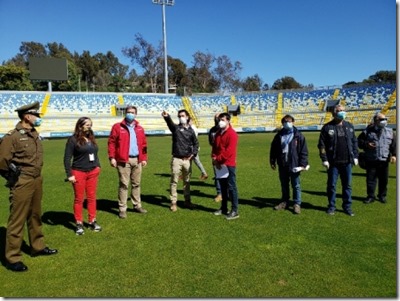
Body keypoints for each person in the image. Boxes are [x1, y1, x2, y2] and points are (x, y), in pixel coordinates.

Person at [0, 102, 57, 272]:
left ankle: (37, 247)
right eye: (36, 115)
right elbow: (2, 161)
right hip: (22, 181)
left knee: (35, 215)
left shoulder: (34, 133)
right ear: (27, 116)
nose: (39, 118)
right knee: (17, 219)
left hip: (36, 179)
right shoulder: (12, 136)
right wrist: (12, 177)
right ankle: (13, 258)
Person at [318, 104, 359, 216]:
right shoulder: (327, 127)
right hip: (333, 163)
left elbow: (354, 142)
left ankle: (347, 206)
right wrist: (324, 159)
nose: (342, 112)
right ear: (334, 113)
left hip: (347, 162)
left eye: (343, 110)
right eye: (339, 111)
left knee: (347, 186)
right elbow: (321, 145)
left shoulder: (349, 126)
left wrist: (355, 156)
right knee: (331, 185)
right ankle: (331, 206)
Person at [108, 105, 148, 219]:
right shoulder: (117, 127)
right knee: (124, 185)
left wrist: (144, 158)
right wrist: (112, 157)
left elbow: (144, 145)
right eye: (128, 112)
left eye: (133, 112)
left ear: (136, 114)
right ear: (125, 113)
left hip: (137, 160)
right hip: (123, 160)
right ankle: (122, 208)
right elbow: (111, 143)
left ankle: (137, 205)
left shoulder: (139, 128)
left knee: (136, 184)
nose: (130, 114)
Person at [64, 117, 102, 235]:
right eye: (87, 125)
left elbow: (95, 153)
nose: (89, 126)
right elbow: (67, 158)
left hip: (92, 172)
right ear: (80, 126)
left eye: (90, 124)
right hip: (78, 172)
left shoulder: (91, 137)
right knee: (79, 199)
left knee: (91, 197)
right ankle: (79, 223)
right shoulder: (73, 139)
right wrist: (69, 174)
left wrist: (98, 166)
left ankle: (92, 220)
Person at [270, 115, 309, 214]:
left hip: (294, 164)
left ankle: (297, 204)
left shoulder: (298, 135)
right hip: (282, 163)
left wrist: (303, 164)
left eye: (289, 121)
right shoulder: (279, 135)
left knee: (296, 185)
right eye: (285, 121)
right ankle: (284, 201)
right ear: (282, 123)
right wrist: (272, 160)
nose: (287, 123)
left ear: (293, 122)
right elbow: (273, 149)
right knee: (284, 184)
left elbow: (303, 151)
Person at [161, 109, 199, 212]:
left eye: (182, 115)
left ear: (187, 117)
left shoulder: (191, 130)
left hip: (187, 160)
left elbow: (196, 143)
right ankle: (173, 203)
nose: (181, 117)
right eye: (179, 116)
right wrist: (167, 117)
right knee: (174, 181)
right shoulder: (176, 129)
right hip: (176, 159)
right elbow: (170, 124)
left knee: (187, 181)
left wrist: (193, 154)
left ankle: (187, 201)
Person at [357, 112, 396, 204]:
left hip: (384, 160)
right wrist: (367, 144)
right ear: (376, 120)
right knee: (371, 180)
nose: (385, 121)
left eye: (385, 119)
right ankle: (371, 196)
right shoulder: (367, 131)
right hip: (371, 159)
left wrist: (394, 155)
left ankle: (382, 196)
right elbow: (359, 142)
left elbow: (394, 145)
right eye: (382, 119)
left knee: (384, 180)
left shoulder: (390, 132)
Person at [211, 112, 240, 220]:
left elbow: (229, 151)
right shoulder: (218, 133)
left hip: (228, 164)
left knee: (231, 187)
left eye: (223, 119)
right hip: (219, 164)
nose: (220, 121)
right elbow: (214, 147)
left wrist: (218, 160)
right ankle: (223, 208)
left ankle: (234, 210)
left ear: (228, 120)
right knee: (223, 187)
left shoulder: (232, 134)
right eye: (219, 120)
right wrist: (214, 158)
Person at [208, 113, 222, 202]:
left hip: (225, 156)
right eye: (215, 117)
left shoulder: (225, 129)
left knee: (227, 176)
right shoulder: (212, 130)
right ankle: (219, 194)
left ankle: (228, 192)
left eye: (218, 117)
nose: (217, 118)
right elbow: (210, 142)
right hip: (215, 155)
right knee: (217, 176)